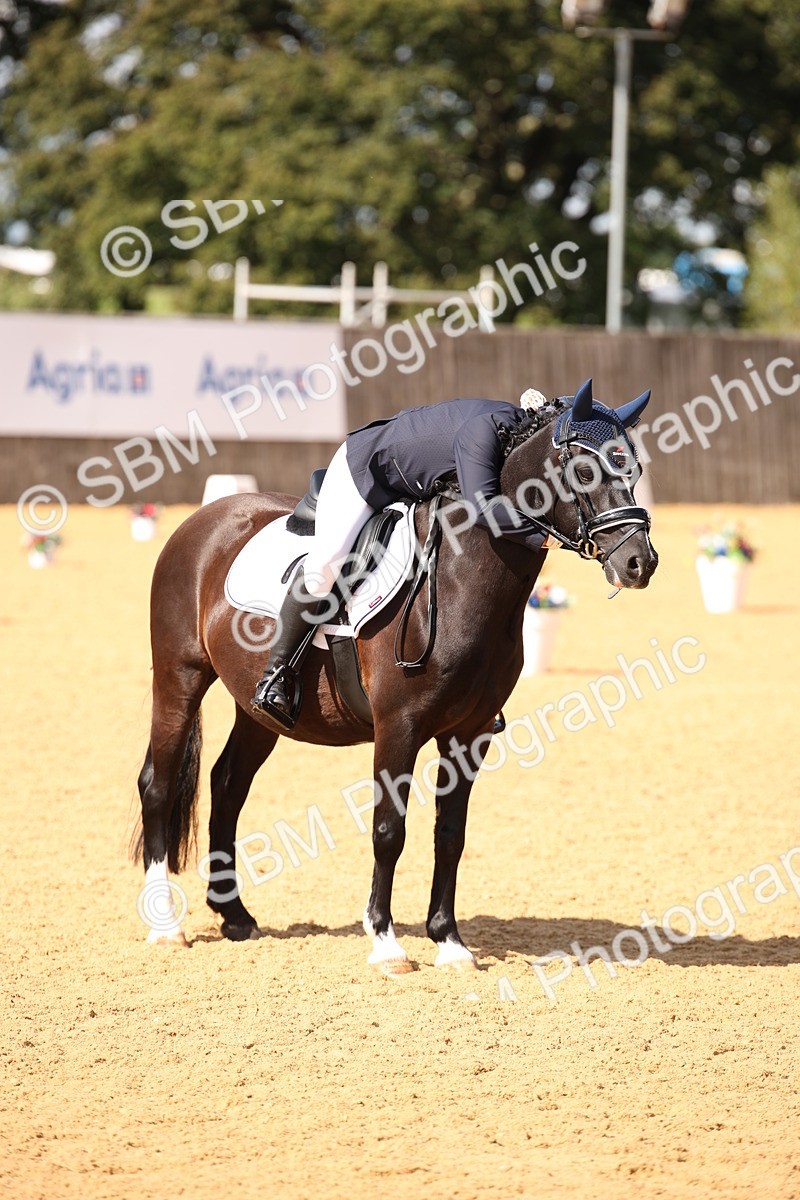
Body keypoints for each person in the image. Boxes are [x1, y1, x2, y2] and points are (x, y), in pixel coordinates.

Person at [252, 388, 559, 721]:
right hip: (366, 468)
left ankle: (471, 686)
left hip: (417, 484)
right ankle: (276, 674)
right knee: (329, 562)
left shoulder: (515, 433)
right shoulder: (484, 434)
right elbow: (482, 506)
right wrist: (541, 537)